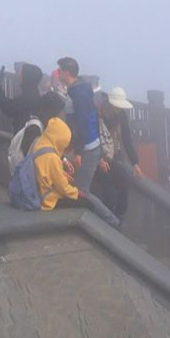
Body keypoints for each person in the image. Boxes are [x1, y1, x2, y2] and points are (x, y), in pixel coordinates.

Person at [28, 116, 121, 226]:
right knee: (87, 203)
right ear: (59, 139)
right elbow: (62, 187)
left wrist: (61, 173)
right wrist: (78, 193)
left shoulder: (39, 143)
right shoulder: (51, 157)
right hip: (47, 199)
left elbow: (44, 171)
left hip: (37, 192)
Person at [94, 87, 142, 220]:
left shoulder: (121, 115)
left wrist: (135, 162)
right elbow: (94, 137)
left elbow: (126, 138)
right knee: (108, 185)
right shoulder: (99, 114)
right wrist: (99, 159)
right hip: (100, 157)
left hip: (114, 154)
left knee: (124, 179)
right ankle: (109, 217)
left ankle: (119, 214)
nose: (120, 109)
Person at [57, 57, 102, 198]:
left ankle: (111, 220)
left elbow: (82, 123)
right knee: (76, 188)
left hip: (87, 147)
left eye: (60, 71)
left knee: (82, 191)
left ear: (67, 73)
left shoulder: (78, 94)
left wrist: (78, 152)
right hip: (85, 145)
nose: (57, 74)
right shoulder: (78, 89)